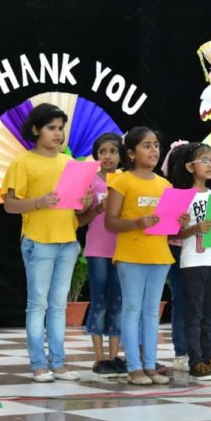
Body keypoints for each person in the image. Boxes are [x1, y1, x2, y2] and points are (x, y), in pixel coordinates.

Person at [2, 103, 91, 383]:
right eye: (51, 128)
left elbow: (76, 206)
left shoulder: (69, 163)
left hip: (68, 240)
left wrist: (86, 202)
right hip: (38, 241)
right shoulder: (22, 162)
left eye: (61, 128)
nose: (58, 133)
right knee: (38, 304)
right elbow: (9, 205)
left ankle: (59, 363)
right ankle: (38, 364)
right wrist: (39, 202)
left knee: (59, 305)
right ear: (35, 130)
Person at [105, 127, 175, 385]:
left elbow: (168, 225)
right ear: (132, 153)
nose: (154, 150)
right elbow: (110, 222)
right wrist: (137, 222)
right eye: (147, 145)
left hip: (159, 255)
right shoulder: (122, 181)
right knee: (132, 309)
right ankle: (133, 367)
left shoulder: (165, 184)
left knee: (151, 312)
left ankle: (150, 366)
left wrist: (178, 221)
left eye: (156, 145)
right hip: (131, 255)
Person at [171, 142, 211, 382]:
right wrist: (193, 228)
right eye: (204, 161)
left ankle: (208, 357)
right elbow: (173, 233)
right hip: (192, 261)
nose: (210, 165)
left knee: (209, 313)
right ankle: (195, 359)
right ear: (190, 167)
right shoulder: (182, 197)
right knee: (194, 313)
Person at [77, 132, 125, 379]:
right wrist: (98, 208)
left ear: (121, 155)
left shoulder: (126, 181)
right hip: (97, 249)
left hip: (122, 249)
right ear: (96, 155)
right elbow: (79, 220)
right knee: (99, 301)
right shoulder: (91, 182)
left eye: (113, 151)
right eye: (102, 152)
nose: (108, 156)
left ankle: (115, 356)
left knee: (117, 302)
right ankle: (99, 357)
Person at [160, 141, 190, 373]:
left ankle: (198, 349)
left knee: (198, 303)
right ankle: (181, 352)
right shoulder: (169, 191)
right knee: (181, 301)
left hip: (201, 250)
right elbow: (168, 230)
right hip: (177, 249)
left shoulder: (206, 191)